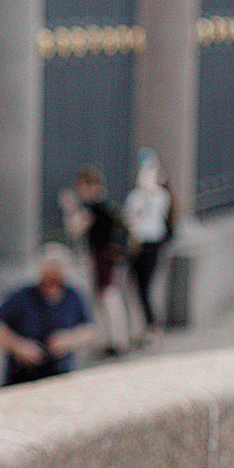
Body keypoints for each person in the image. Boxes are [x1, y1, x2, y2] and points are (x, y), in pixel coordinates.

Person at [0, 245, 99, 385]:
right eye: (49, 267)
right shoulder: (21, 295)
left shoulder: (73, 295)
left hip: (59, 372)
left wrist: (68, 340)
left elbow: (89, 329)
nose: (53, 273)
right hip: (21, 374)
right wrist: (19, 346)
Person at [65, 166, 130, 356]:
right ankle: (115, 338)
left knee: (108, 296)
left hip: (103, 257)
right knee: (108, 296)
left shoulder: (94, 208)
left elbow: (75, 230)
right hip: (108, 257)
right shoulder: (107, 206)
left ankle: (116, 339)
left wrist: (70, 210)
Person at [122, 148, 174, 343]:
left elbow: (158, 211)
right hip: (138, 243)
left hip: (153, 243)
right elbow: (130, 218)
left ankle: (151, 325)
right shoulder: (136, 196)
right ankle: (140, 326)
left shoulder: (161, 196)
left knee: (145, 285)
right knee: (135, 285)